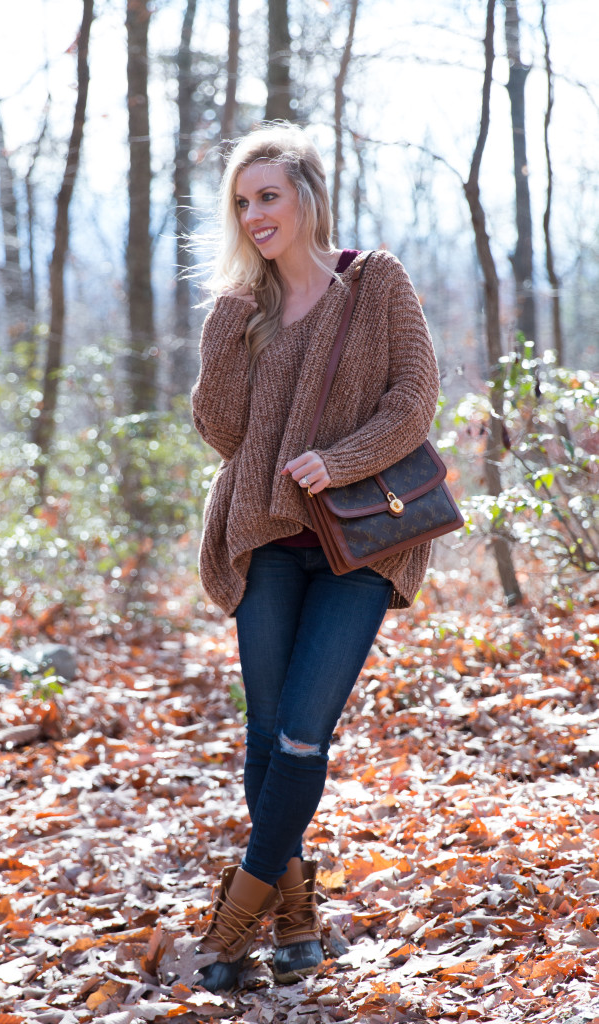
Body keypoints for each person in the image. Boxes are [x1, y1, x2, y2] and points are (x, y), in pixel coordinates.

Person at [190, 122, 439, 992]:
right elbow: (223, 434)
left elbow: (414, 398)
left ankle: (231, 925)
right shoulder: (241, 307)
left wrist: (337, 461)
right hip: (262, 538)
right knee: (264, 735)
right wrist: (227, 331)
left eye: (268, 196)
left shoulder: (374, 284)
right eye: (241, 202)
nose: (254, 215)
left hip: (357, 543)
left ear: (305, 194)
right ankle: (294, 920)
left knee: (301, 735)